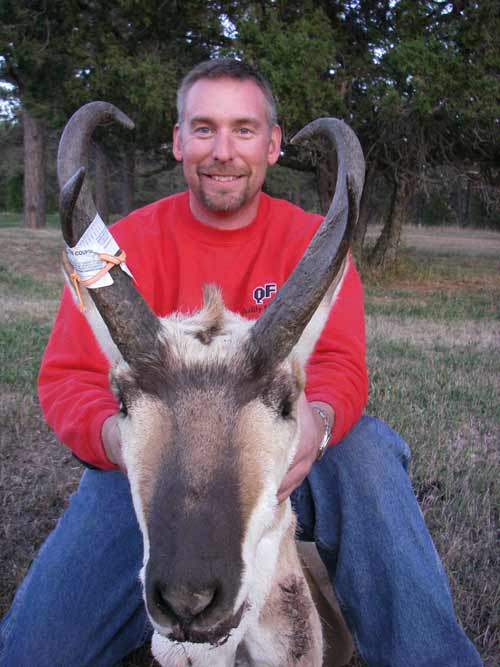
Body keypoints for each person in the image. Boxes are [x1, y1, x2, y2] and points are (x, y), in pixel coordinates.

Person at [0, 59, 482, 667]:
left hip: (291, 453)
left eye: (244, 130)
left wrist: (318, 424)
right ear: (178, 141)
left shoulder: (315, 245)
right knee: (35, 651)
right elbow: (68, 377)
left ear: (274, 144)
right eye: (203, 129)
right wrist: (121, 441)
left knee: (368, 453)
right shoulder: (116, 246)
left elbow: (337, 364)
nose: (222, 150)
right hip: (153, 464)